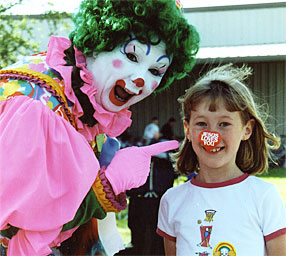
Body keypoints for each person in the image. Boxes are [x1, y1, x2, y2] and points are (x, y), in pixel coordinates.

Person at [0, 0, 200, 255]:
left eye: (155, 70)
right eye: (131, 55)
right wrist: (107, 185)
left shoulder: (86, 108)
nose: (140, 79)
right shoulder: (36, 107)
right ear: (98, 43)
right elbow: (20, 231)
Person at [157, 64, 286, 255]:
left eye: (224, 124)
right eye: (202, 124)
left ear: (246, 130)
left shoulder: (264, 197)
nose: (212, 136)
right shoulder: (171, 201)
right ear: (187, 130)